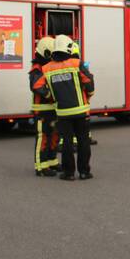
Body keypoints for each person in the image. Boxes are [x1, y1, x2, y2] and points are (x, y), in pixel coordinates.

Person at [36, 35, 95, 181]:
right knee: (83, 142)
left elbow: (37, 86)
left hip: (62, 113)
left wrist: (50, 95)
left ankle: (68, 173)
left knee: (67, 143)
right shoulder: (76, 63)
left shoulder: (46, 68)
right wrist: (89, 94)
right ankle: (84, 172)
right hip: (81, 111)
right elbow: (89, 83)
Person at [29, 36, 59, 177]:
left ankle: (52, 161)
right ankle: (40, 166)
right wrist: (50, 95)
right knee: (42, 138)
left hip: (52, 108)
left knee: (54, 135)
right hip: (42, 110)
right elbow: (36, 86)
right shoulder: (37, 68)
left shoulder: (48, 66)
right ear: (46, 53)